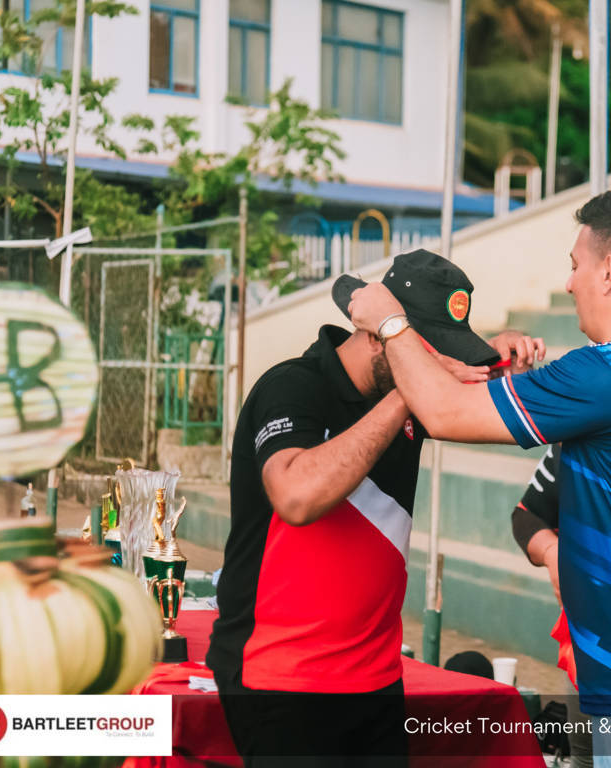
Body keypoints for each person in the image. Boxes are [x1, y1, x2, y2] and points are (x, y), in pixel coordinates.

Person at [348, 188, 611, 767]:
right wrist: (501, 373)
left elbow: (443, 413)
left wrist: (391, 322)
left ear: (608, 271)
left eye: (575, 265)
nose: (568, 283)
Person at [208, 249, 543, 767]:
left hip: (376, 679)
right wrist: (406, 393)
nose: (426, 370)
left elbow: (487, 404)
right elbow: (296, 496)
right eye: (417, 350)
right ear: (374, 334)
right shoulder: (293, 386)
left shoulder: (406, 392)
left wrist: (501, 360)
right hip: (280, 677)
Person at [511, 443, 594, 767]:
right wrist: (551, 551)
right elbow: (526, 514)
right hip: (585, 642)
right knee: (585, 756)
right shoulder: (570, 441)